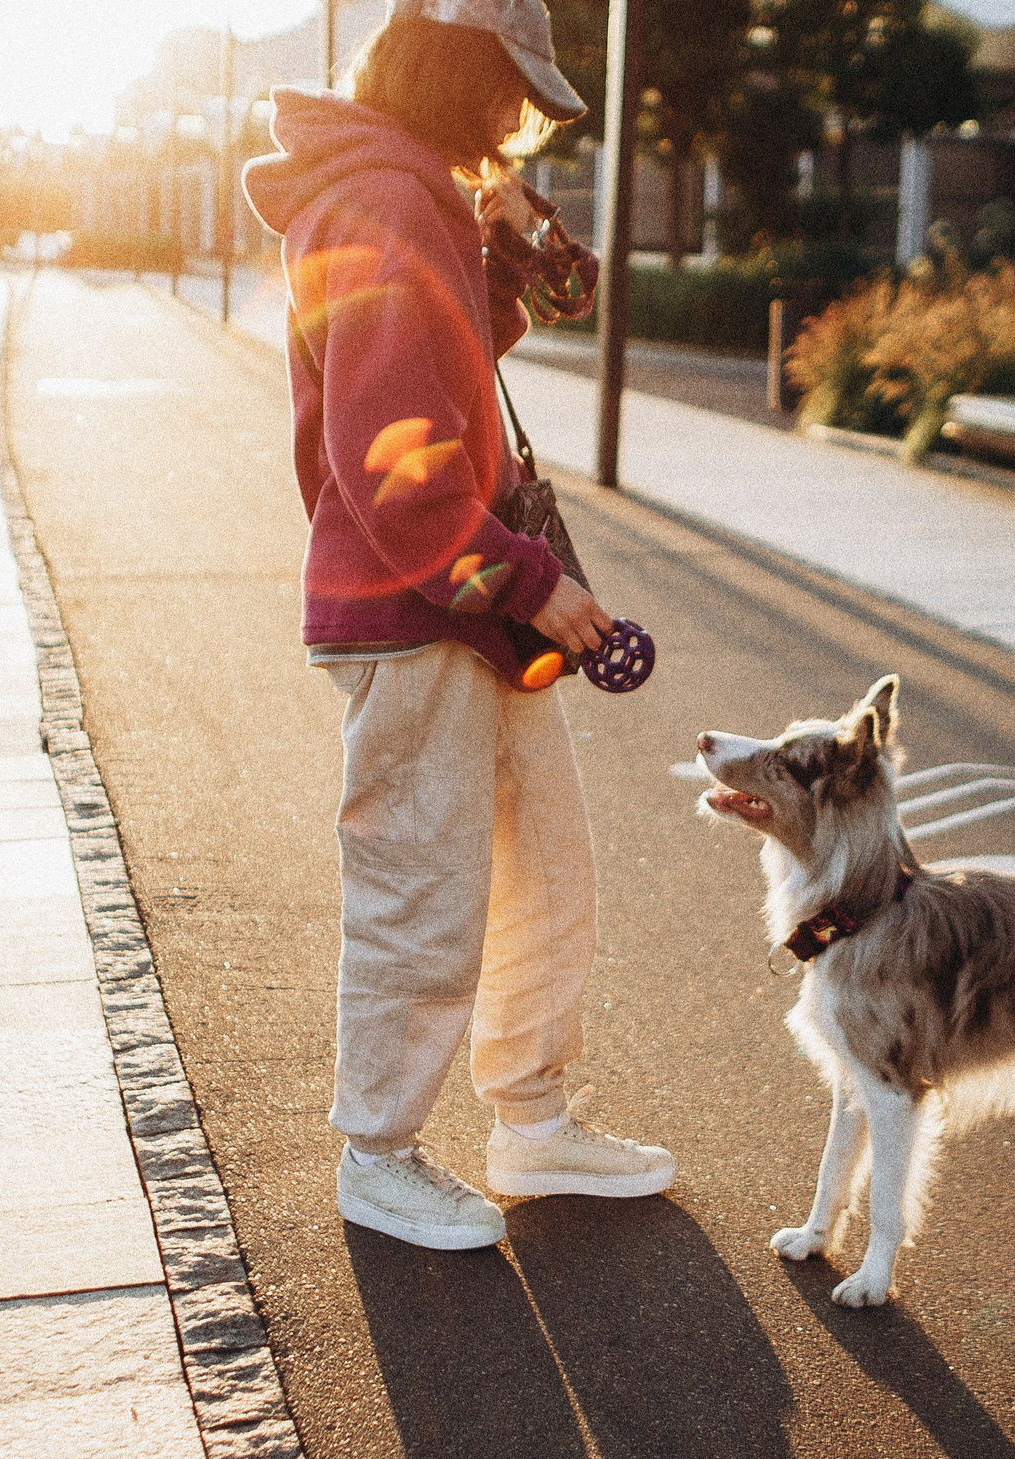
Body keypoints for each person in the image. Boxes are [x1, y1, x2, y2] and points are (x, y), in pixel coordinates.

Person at [242, 0, 675, 1251]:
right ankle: (377, 1155)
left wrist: (501, 261)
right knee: (421, 891)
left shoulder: (413, 192)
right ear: (458, 70)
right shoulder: (378, 201)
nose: (519, 121)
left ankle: (531, 1122)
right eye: (510, 91)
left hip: (460, 606)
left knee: (544, 873)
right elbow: (393, 465)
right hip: (418, 605)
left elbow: (437, 364)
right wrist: (533, 582)